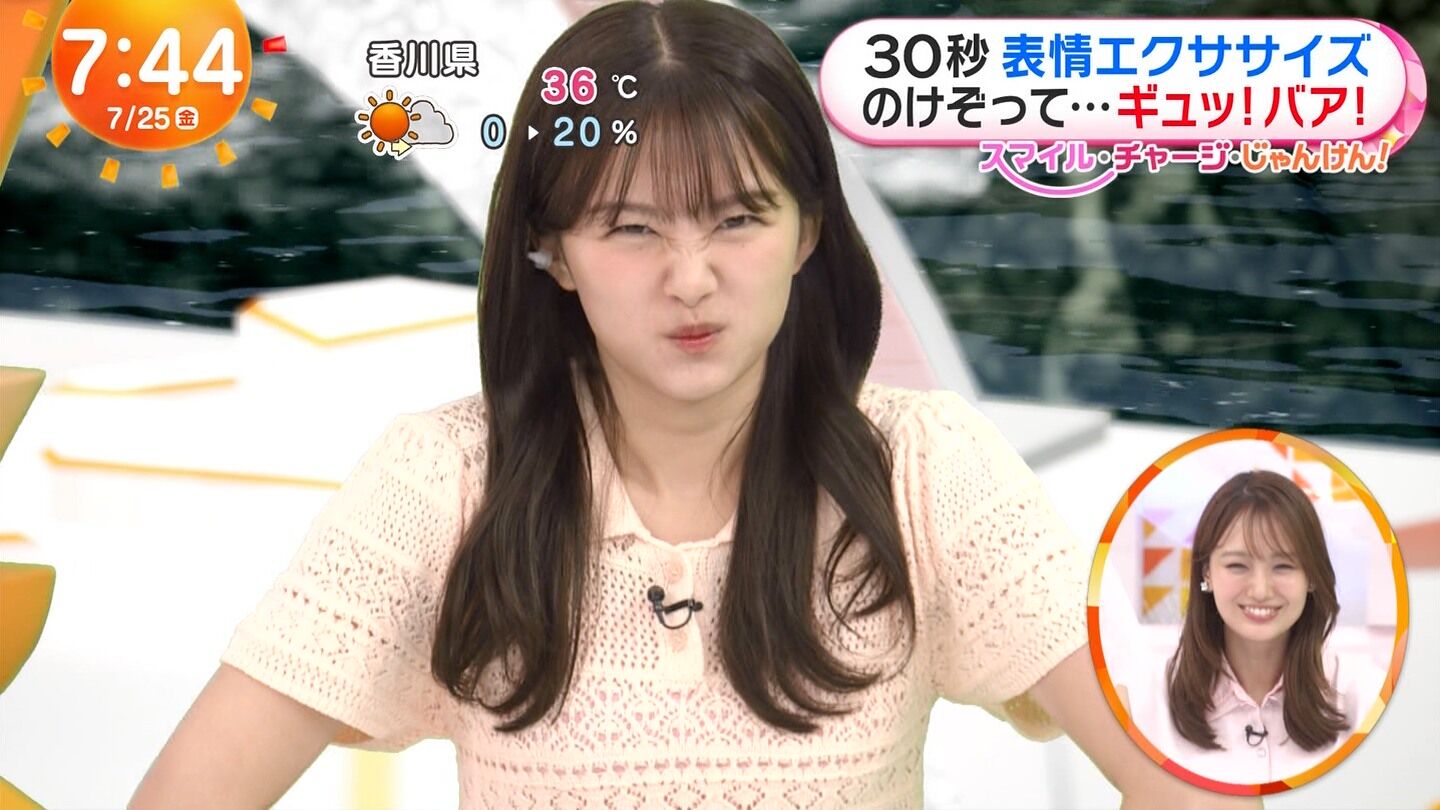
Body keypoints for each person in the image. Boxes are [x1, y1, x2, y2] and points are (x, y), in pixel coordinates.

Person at [130, 2, 1259, 807]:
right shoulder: (445, 480)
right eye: (631, 227)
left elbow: (1193, 771)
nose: (691, 279)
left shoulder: (925, 466)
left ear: (809, 231)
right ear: (550, 250)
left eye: (737, 218)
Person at [1119, 470, 1386, 785]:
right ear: (1206, 573)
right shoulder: (1146, 700)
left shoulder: (1367, 694)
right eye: (1237, 565)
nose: (1260, 590)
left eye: (1283, 566)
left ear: (1312, 576)